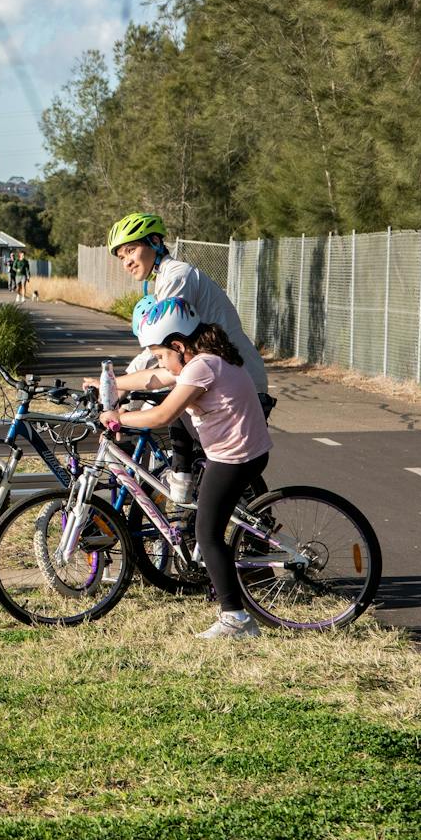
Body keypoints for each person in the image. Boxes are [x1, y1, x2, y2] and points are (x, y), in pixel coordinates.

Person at [100, 297, 272, 640]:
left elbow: (163, 415)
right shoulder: (205, 359)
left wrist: (118, 418)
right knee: (210, 523)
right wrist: (111, 383)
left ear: (179, 346)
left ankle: (236, 619)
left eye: (163, 353)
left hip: (234, 458)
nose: (162, 361)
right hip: (241, 453)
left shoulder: (201, 368)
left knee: (208, 535)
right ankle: (233, 606)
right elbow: (154, 377)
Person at [92, 212, 273, 502]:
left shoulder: (178, 277)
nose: (126, 261)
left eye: (130, 250)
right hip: (222, 378)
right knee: (189, 446)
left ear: (154, 241)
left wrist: (118, 386)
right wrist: (118, 382)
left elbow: (160, 344)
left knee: (216, 470)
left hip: (236, 383)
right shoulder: (166, 277)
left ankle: (235, 531)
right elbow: (161, 354)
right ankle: (188, 498)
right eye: (120, 256)